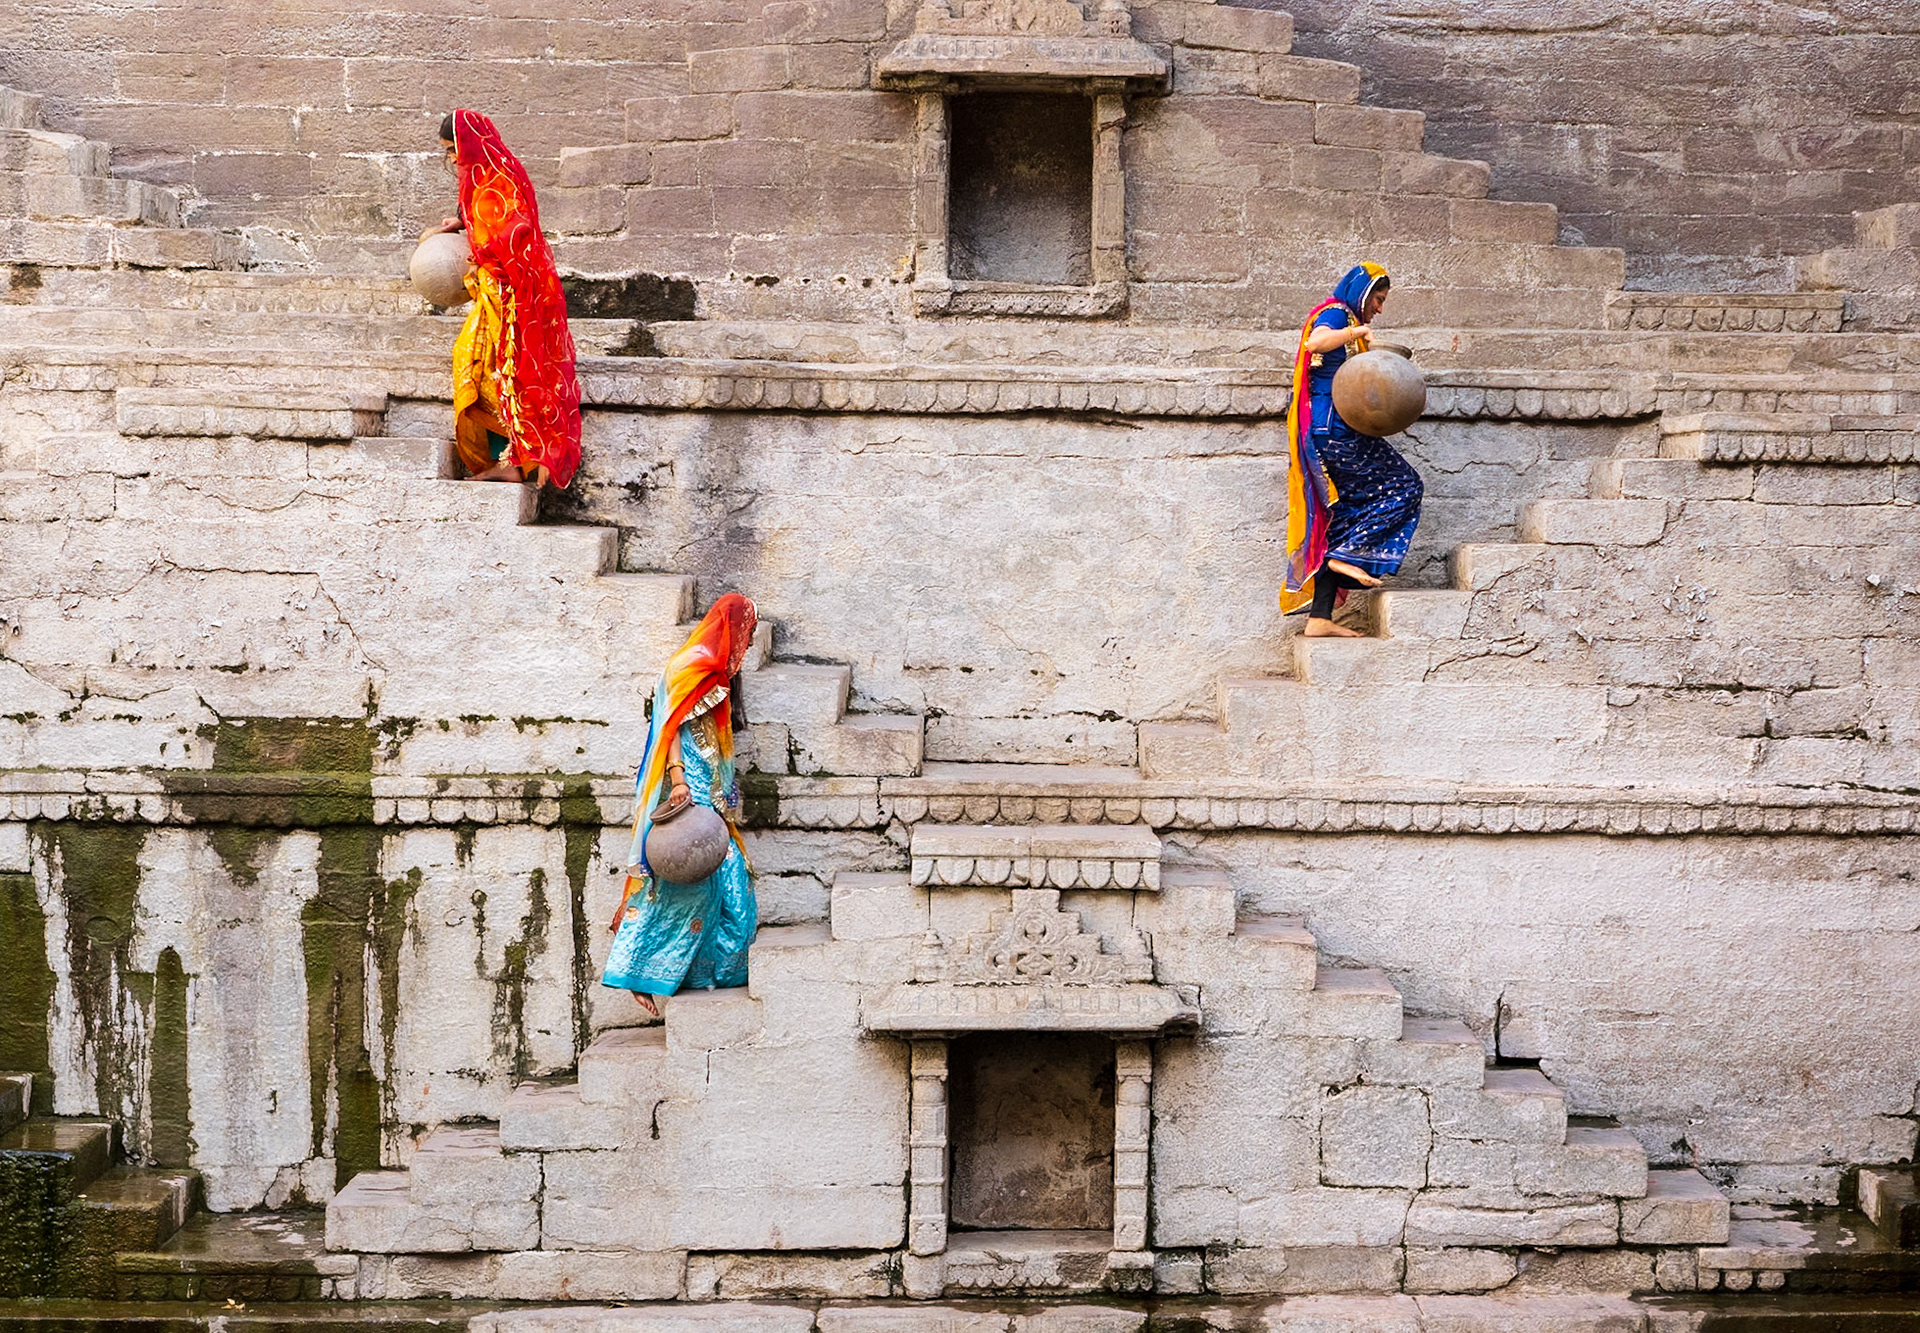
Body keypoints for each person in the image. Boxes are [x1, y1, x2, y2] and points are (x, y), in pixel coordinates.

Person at [603, 594, 760, 1016]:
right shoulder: (687, 667)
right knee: (672, 886)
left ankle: (705, 974)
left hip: (712, 793)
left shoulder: (719, 671)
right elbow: (668, 727)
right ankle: (635, 973)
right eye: (748, 630)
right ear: (731, 627)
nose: (749, 640)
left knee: (732, 892)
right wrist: (677, 781)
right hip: (686, 790)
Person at [420, 110, 581, 488]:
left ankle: (517, 461)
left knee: (503, 372)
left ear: (469, 145)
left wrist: (480, 252)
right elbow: (486, 218)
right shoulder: (481, 178)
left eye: (453, 150)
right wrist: (461, 225)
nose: (453, 159)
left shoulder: (500, 177)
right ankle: (507, 458)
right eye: (448, 153)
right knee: (477, 365)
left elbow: (515, 231)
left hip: (512, 293)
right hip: (496, 290)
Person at [1280, 261, 1425, 637]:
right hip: (1337, 429)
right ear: (1361, 292)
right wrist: (1358, 330)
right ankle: (1349, 555)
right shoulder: (1334, 313)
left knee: (1346, 511)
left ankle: (1320, 618)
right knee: (1406, 485)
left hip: (1332, 428)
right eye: (1377, 299)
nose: (1379, 308)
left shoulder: (1344, 318)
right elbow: (1316, 342)